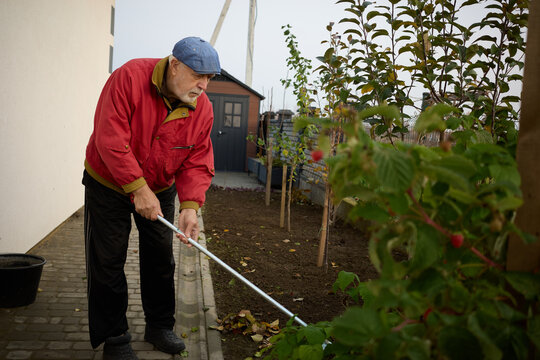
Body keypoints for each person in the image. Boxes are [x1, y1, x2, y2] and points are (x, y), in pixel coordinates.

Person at [82, 37, 220, 360]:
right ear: (174, 65)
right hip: (108, 182)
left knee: (161, 258)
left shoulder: (203, 110)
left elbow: (196, 160)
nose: (203, 85)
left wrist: (190, 207)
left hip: (159, 186)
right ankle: (114, 337)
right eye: (197, 74)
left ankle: (159, 326)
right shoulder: (129, 78)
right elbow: (110, 137)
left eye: (209, 78)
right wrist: (137, 188)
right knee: (108, 260)